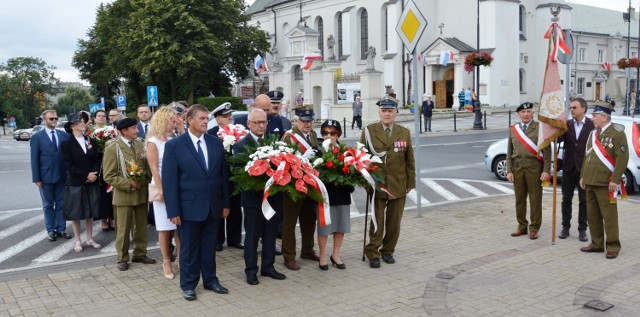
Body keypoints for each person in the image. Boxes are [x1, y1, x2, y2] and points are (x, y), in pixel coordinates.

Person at [162, 104, 231, 301]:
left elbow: (222, 176)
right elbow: (169, 181)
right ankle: (188, 284)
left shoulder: (215, 143)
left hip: (213, 206)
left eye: (206, 118)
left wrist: (225, 203)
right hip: (188, 207)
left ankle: (210, 280)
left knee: (209, 246)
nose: (204, 121)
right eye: (201, 118)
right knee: (189, 249)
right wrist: (173, 210)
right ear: (189, 120)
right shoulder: (175, 146)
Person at [360, 98, 415, 268]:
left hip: (398, 184)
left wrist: (410, 182)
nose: (387, 114)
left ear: (396, 113)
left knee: (394, 223)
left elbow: (409, 160)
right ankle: (373, 252)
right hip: (377, 185)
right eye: (384, 111)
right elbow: (361, 159)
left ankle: (388, 251)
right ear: (379, 113)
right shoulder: (369, 131)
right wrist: (366, 183)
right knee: (377, 221)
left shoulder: (404, 132)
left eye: (390, 111)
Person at [234, 108, 287, 285]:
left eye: (264, 122)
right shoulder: (241, 145)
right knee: (252, 236)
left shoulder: (273, 143)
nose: (261, 125)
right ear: (249, 124)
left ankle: (268, 267)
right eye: (257, 122)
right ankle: (251, 270)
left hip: (272, 198)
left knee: (270, 234)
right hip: (253, 201)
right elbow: (239, 174)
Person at [102, 118, 155, 271]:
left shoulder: (139, 144)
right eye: (133, 128)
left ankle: (140, 253)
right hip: (124, 195)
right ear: (124, 131)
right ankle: (122, 258)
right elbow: (109, 175)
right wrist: (129, 184)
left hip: (141, 192)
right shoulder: (113, 147)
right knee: (123, 229)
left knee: (141, 226)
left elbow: (146, 167)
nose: (137, 130)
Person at [579, 101, 629, 259]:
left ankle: (613, 245)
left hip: (606, 183)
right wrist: (583, 176)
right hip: (591, 180)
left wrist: (615, 180)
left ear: (604, 117)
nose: (592, 118)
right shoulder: (593, 133)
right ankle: (597, 243)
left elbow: (622, 158)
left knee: (609, 216)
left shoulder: (617, 134)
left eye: (594, 116)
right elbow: (587, 156)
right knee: (592, 216)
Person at [280, 106, 320, 270]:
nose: (308, 124)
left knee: (309, 219)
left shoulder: (313, 135)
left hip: (309, 183)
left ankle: (307, 249)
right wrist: (303, 158)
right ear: (297, 120)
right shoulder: (289, 137)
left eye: (310, 121)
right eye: (304, 121)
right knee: (290, 222)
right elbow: (284, 161)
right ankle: (289, 256)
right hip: (293, 185)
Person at [506, 102, 551, 240]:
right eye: (523, 112)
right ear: (519, 114)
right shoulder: (513, 129)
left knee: (535, 199)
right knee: (519, 199)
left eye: (528, 111)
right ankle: (522, 226)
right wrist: (509, 170)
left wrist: (546, 170)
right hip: (518, 168)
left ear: (533, 113)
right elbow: (509, 152)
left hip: (534, 168)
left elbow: (547, 153)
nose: (526, 114)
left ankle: (534, 227)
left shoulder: (540, 128)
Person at [146, 107, 180, 279]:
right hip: (163, 189)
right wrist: (162, 190)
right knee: (165, 227)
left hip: (177, 187)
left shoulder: (173, 139)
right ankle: (166, 261)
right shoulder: (153, 142)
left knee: (179, 225)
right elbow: (154, 169)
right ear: (163, 121)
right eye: (171, 121)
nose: (174, 124)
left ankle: (181, 258)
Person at [61, 113, 102, 253]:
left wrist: (94, 174)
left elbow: (96, 159)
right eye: (79, 121)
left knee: (90, 211)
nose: (83, 123)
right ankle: (78, 240)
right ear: (72, 126)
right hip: (76, 181)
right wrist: (86, 175)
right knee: (76, 212)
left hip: (91, 180)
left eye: (83, 121)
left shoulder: (90, 140)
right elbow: (68, 164)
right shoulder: (66, 143)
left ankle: (90, 238)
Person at [207, 102, 244, 252]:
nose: (230, 118)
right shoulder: (211, 134)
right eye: (226, 116)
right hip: (219, 176)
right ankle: (217, 240)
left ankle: (235, 239)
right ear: (218, 119)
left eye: (230, 115)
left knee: (235, 206)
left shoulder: (238, 131)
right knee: (219, 207)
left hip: (234, 176)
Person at [31, 109, 71, 241]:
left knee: (61, 204)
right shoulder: (37, 137)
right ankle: (51, 229)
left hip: (62, 175)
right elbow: (34, 158)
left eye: (55, 118)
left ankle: (61, 228)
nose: (54, 121)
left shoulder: (64, 135)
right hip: (45, 177)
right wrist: (36, 178)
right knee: (48, 205)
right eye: (51, 119)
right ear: (44, 120)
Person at [317, 119, 353, 271]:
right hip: (325, 196)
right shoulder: (317, 151)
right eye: (325, 132)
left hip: (342, 194)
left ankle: (336, 254)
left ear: (339, 134)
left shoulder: (346, 151)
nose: (329, 136)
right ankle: (323, 255)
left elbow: (353, 172)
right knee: (324, 227)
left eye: (333, 133)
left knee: (340, 225)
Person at [557, 98, 593, 241]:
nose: (571, 110)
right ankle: (565, 228)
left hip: (585, 168)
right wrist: (555, 127)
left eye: (574, 107)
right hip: (568, 167)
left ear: (583, 109)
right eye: (570, 107)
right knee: (566, 199)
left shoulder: (591, 125)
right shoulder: (567, 124)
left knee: (584, 200)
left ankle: (582, 229)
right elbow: (558, 140)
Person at [92, 110, 114, 231]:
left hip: (109, 163)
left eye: (103, 116)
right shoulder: (91, 132)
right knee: (101, 193)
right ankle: (104, 219)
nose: (101, 118)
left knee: (111, 191)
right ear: (94, 118)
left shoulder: (110, 130)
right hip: (99, 163)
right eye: (99, 116)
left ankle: (112, 218)